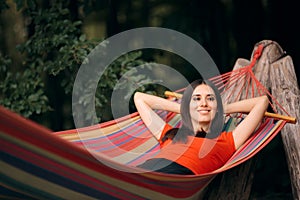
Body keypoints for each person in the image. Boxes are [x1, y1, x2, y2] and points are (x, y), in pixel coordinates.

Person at [134, 79, 269, 175]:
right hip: (143, 171)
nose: (203, 103)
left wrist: (220, 108)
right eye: (197, 99)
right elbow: (139, 98)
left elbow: (262, 102)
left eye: (210, 99)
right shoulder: (170, 133)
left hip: (177, 179)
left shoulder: (227, 141)